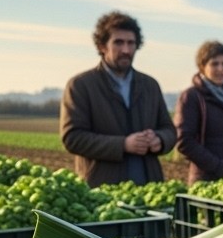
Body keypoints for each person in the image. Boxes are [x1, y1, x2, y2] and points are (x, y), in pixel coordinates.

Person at [60, 10, 175, 186]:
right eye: (118, 43)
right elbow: (72, 138)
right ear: (102, 46)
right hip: (101, 188)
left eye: (131, 43)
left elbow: (168, 129)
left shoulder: (150, 85)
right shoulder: (81, 85)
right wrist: (123, 145)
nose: (126, 50)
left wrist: (159, 140)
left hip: (149, 186)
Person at [175, 40, 223, 184]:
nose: (221, 69)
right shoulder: (192, 97)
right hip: (207, 179)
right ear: (202, 66)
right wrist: (219, 166)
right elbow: (184, 141)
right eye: (214, 64)